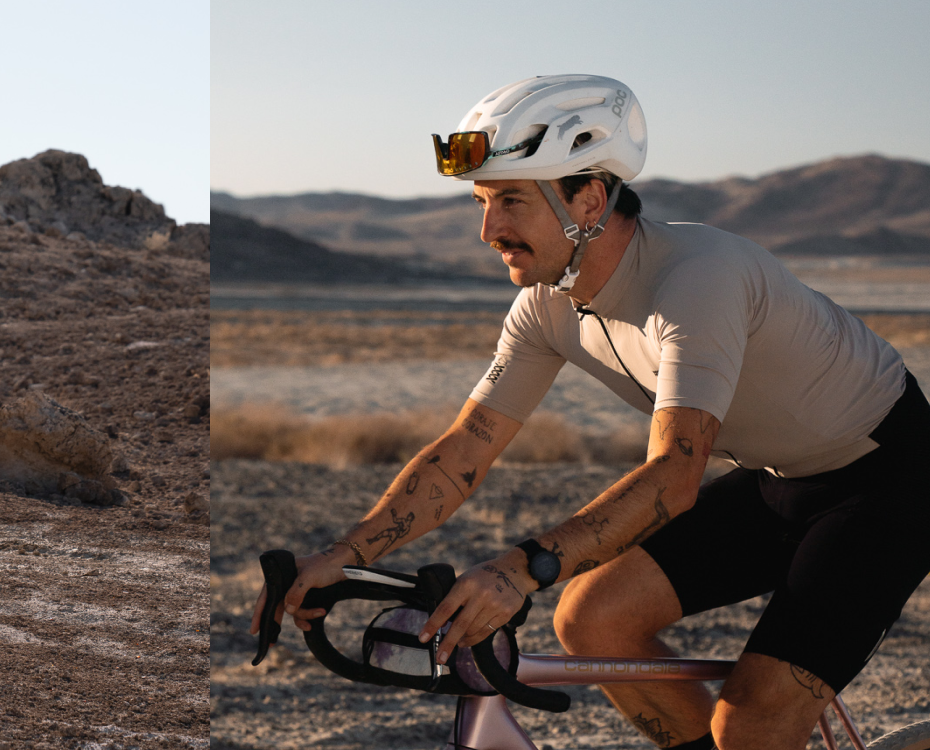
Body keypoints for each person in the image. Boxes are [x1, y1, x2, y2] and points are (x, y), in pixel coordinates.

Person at [252, 75, 930, 750]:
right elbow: (466, 451)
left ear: (591, 199)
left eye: (511, 200)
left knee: (751, 718)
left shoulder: (696, 278)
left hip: (890, 477)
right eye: (482, 201)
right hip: (777, 478)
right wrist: (346, 555)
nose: (488, 229)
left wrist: (519, 570)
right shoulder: (546, 306)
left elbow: (673, 478)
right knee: (592, 621)